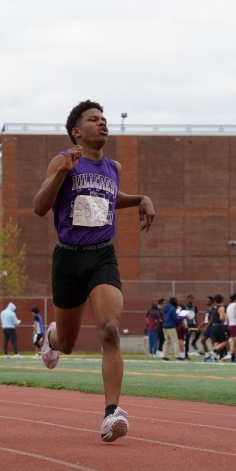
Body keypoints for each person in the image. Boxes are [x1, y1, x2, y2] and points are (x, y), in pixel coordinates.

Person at [31, 99, 155, 443]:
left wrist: (141, 198)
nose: (102, 123)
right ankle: (51, 337)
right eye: (93, 119)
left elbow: (109, 198)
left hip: (102, 256)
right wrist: (62, 172)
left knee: (110, 330)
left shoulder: (113, 166)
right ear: (76, 131)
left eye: (104, 119)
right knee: (68, 344)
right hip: (68, 258)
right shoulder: (62, 160)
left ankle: (111, 413)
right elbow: (40, 207)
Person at [162, 296, 183, 360]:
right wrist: (183, 317)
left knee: (166, 341)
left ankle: (164, 356)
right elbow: (175, 319)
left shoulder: (165, 307)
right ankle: (177, 356)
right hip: (171, 326)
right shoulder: (172, 308)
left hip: (164, 326)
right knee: (175, 341)